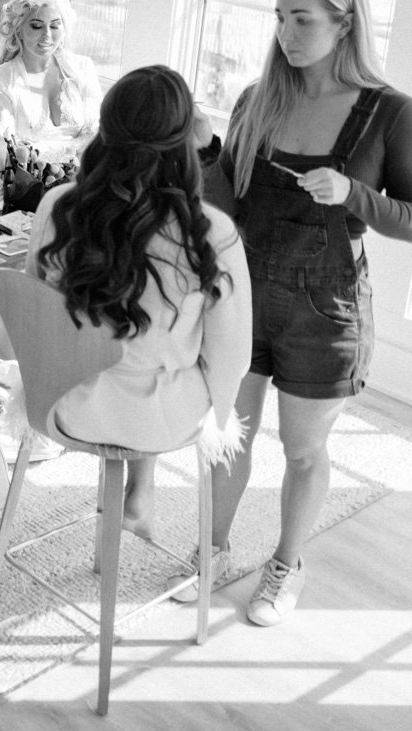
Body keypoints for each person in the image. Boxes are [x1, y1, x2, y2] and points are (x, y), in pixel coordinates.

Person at [193, 0, 412, 626]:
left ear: (344, 21)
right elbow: (226, 204)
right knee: (228, 436)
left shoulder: (391, 114)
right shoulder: (258, 99)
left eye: (302, 18)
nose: (286, 33)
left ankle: (286, 564)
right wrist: (211, 150)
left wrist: (353, 192)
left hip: (323, 312)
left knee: (301, 450)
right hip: (242, 298)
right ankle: (210, 548)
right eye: (279, 17)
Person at [27, 65, 251, 538]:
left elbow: (36, 311)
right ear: (186, 140)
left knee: (131, 340)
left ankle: (138, 490)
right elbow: (232, 357)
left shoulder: (58, 206)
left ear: (105, 128)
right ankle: (141, 488)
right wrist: (221, 419)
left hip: (65, 402)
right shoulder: (210, 234)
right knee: (170, 358)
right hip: (158, 419)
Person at [0, 0, 104, 213]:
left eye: (55, 26)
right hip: (28, 194)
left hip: (85, 183)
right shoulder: (1, 80)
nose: (47, 35)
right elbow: (3, 149)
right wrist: (70, 150)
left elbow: (98, 131)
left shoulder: (83, 69)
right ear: (18, 30)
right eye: (36, 26)